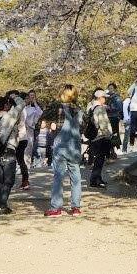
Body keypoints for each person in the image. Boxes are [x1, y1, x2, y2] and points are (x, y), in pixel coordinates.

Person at [45, 86, 84, 217]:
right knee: (76, 177)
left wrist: (51, 126)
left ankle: (56, 208)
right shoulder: (79, 110)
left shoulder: (58, 109)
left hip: (61, 146)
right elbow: (83, 127)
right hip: (75, 146)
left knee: (58, 177)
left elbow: (46, 124)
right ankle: (76, 207)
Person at [0, 91, 27, 214]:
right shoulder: (9, 116)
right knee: (8, 180)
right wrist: (15, 97)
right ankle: (3, 204)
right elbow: (22, 104)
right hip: (9, 150)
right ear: (6, 105)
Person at [84, 89, 114, 188]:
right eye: (104, 97)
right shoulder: (100, 108)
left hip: (94, 137)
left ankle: (98, 178)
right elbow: (103, 124)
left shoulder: (92, 107)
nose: (105, 99)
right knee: (99, 160)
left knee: (98, 159)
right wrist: (109, 135)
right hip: (101, 136)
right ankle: (94, 180)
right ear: (100, 98)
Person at [22, 91, 43, 179]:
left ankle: (27, 167)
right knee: (21, 148)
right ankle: (20, 166)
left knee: (28, 148)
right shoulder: (21, 108)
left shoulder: (34, 108)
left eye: (33, 96)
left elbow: (40, 113)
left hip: (30, 129)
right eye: (30, 96)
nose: (31, 98)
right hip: (21, 129)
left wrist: (34, 103)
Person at [105, 83, 124, 158]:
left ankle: (118, 148)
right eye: (109, 88)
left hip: (114, 116)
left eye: (111, 88)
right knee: (110, 133)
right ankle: (112, 149)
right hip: (108, 117)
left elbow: (119, 108)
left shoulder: (117, 98)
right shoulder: (106, 97)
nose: (110, 90)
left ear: (115, 89)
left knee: (115, 132)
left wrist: (109, 107)